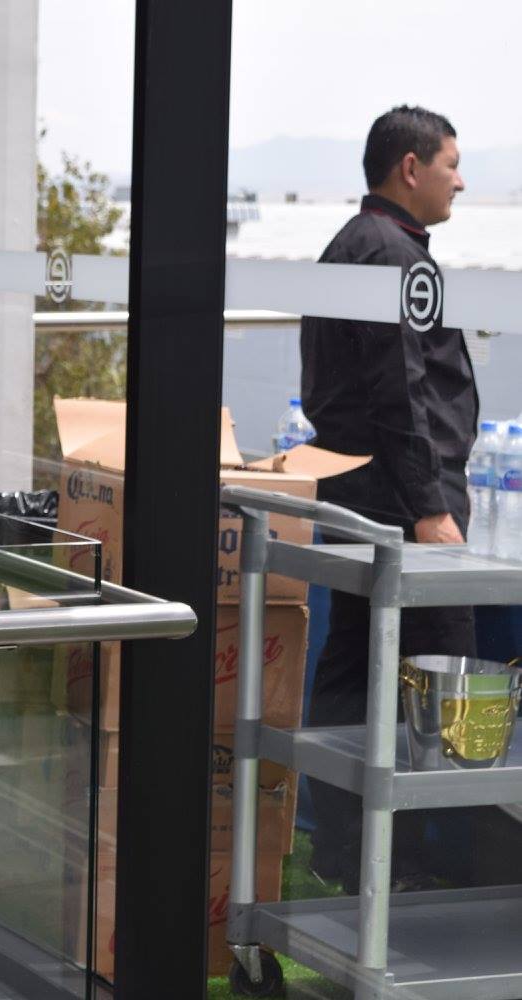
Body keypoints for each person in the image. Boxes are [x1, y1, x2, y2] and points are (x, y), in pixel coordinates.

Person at [300, 105, 476, 892]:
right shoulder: (392, 255)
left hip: (357, 490)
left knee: (353, 667)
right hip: (403, 503)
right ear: (411, 168)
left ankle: (347, 856)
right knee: (446, 677)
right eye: (450, 165)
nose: (459, 182)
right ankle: (440, 870)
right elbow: (400, 394)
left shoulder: (350, 244)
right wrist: (430, 509)